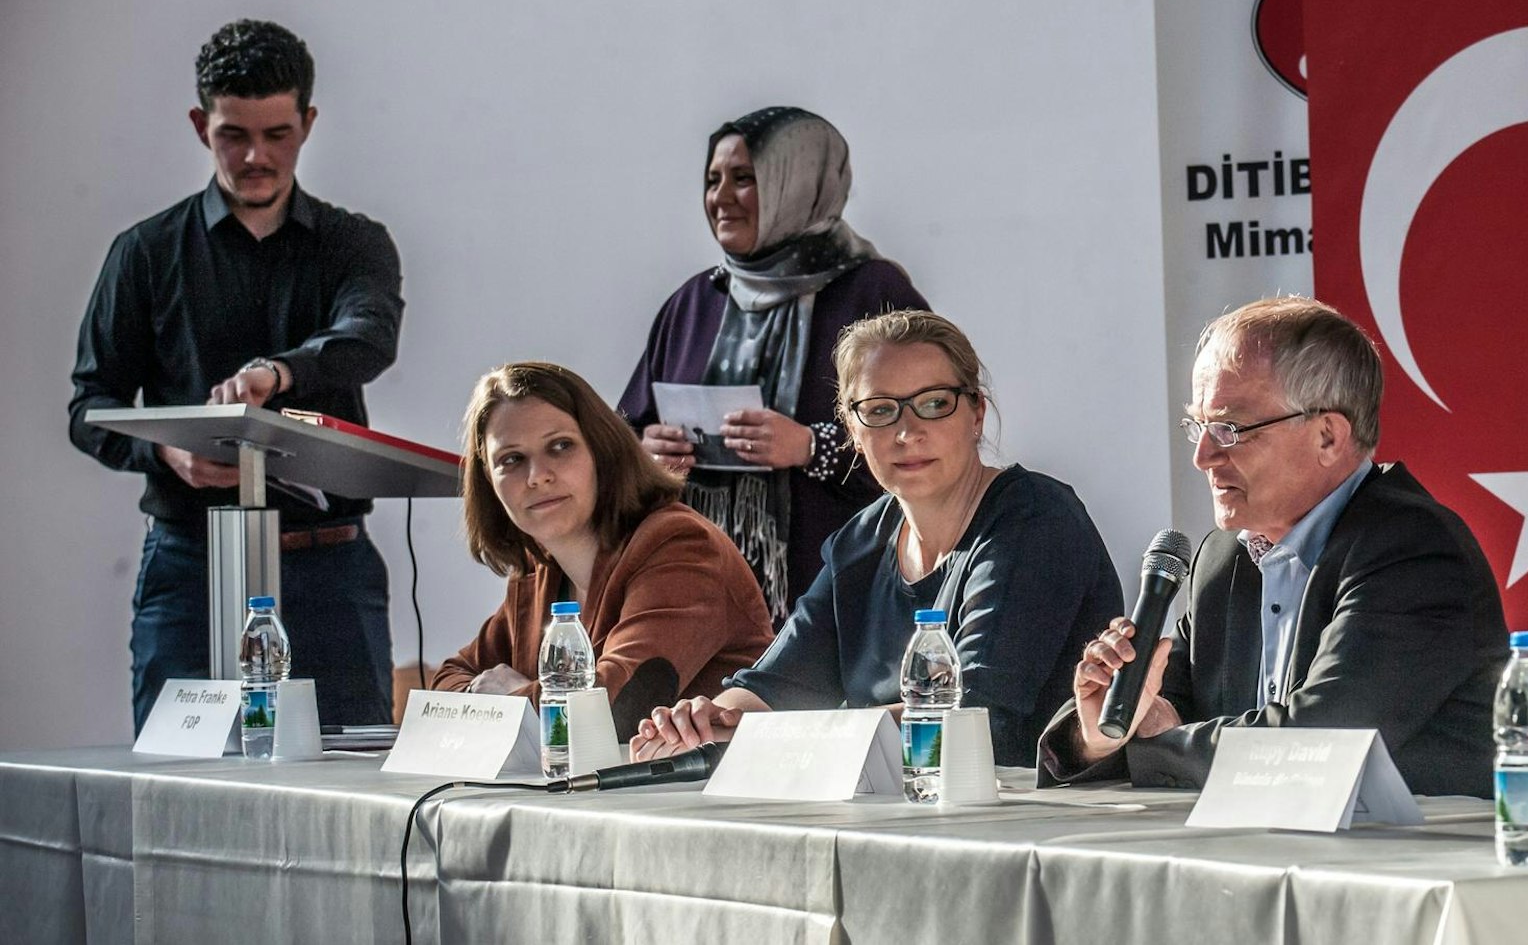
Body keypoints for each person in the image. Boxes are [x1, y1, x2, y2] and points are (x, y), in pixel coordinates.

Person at [68, 20, 405, 732]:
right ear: (200, 125)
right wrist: (167, 451)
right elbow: (89, 406)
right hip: (190, 564)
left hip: (328, 569)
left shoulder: (355, 244)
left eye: (277, 134)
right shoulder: (145, 253)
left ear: (308, 123)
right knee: (175, 793)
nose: (256, 156)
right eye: (234, 135)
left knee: (349, 796)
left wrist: (275, 374)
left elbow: (368, 339)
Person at [1037, 296, 1508, 794]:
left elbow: (1322, 742)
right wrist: (1101, 731)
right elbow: (1157, 703)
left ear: (1327, 436)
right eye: (1198, 425)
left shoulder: (1414, 552)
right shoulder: (1223, 559)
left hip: (1422, 859)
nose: (1203, 456)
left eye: (1230, 429)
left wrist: (1161, 744)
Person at [628, 310, 1123, 766]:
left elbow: (971, 719)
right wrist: (706, 720)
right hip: (905, 818)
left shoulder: (1035, 518)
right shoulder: (862, 538)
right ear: (851, 427)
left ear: (976, 414)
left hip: (1036, 825)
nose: (907, 432)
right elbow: (772, 687)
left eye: (934, 404)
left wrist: (782, 732)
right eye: (881, 410)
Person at [617, 106, 929, 624]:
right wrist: (645, 455)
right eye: (712, 180)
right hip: (695, 598)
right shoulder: (693, 303)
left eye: (745, 179)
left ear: (798, 182)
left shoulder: (872, 293)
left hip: (838, 594)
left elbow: (929, 433)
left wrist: (811, 446)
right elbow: (622, 436)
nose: (720, 198)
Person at [432, 363, 773, 742]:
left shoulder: (679, 545)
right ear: (488, 482)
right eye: (511, 459)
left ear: (603, 449)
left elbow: (616, 709)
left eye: (560, 447)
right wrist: (509, 702)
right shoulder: (538, 568)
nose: (537, 475)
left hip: (708, 793)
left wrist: (511, 699)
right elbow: (447, 682)